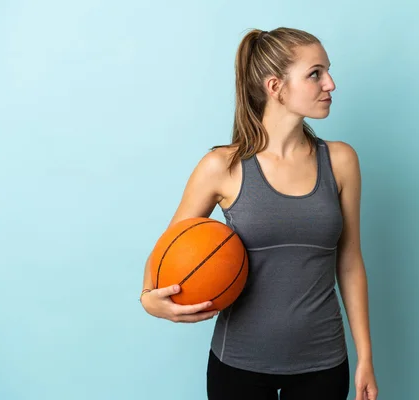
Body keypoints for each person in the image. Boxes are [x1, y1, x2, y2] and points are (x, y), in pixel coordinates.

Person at [140, 27, 378, 400]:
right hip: (237, 365)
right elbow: (167, 255)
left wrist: (365, 356)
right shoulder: (222, 166)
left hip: (324, 363)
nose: (330, 83)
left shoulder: (341, 161)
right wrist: (148, 298)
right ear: (275, 86)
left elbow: (349, 263)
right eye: (315, 73)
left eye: (327, 71)